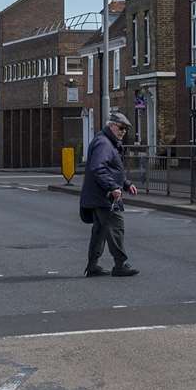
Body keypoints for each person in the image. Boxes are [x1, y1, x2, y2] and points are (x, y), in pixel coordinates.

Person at [80, 110, 139, 277]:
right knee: (116, 228)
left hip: (100, 196)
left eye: (125, 129)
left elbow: (111, 169)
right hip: (105, 197)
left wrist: (126, 184)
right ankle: (120, 265)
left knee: (100, 231)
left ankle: (93, 266)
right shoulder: (104, 144)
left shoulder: (106, 142)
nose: (123, 132)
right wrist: (113, 187)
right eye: (121, 128)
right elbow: (98, 168)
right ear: (112, 126)